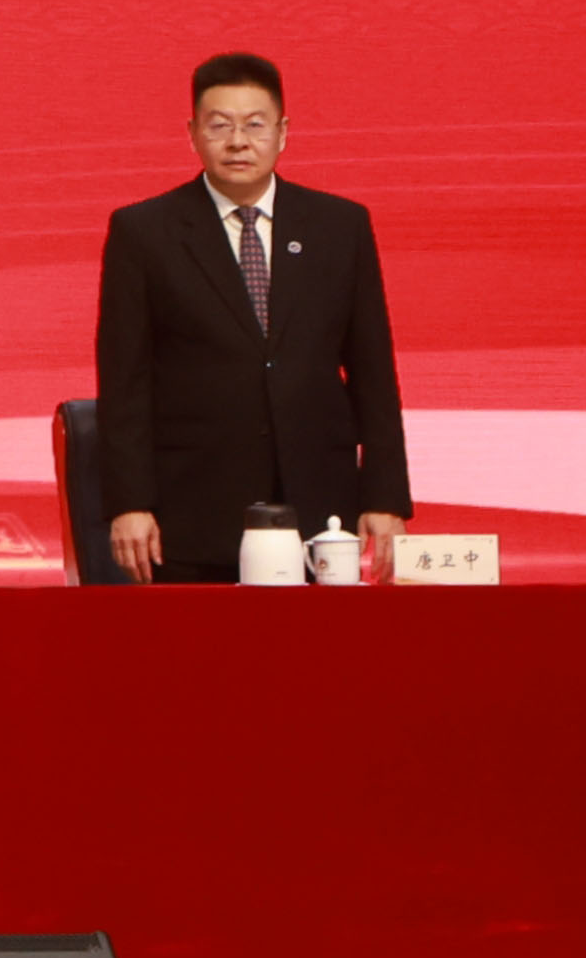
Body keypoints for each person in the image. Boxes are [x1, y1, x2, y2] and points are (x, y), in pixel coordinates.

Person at [91, 53, 410, 582]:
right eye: (220, 126)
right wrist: (130, 503)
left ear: (283, 133)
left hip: (320, 506)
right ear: (192, 134)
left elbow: (373, 371)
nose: (238, 142)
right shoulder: (144, 232)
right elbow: (124, 380)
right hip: (191, 508)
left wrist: (385, 495)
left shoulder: (340, 226)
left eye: (255, 125)